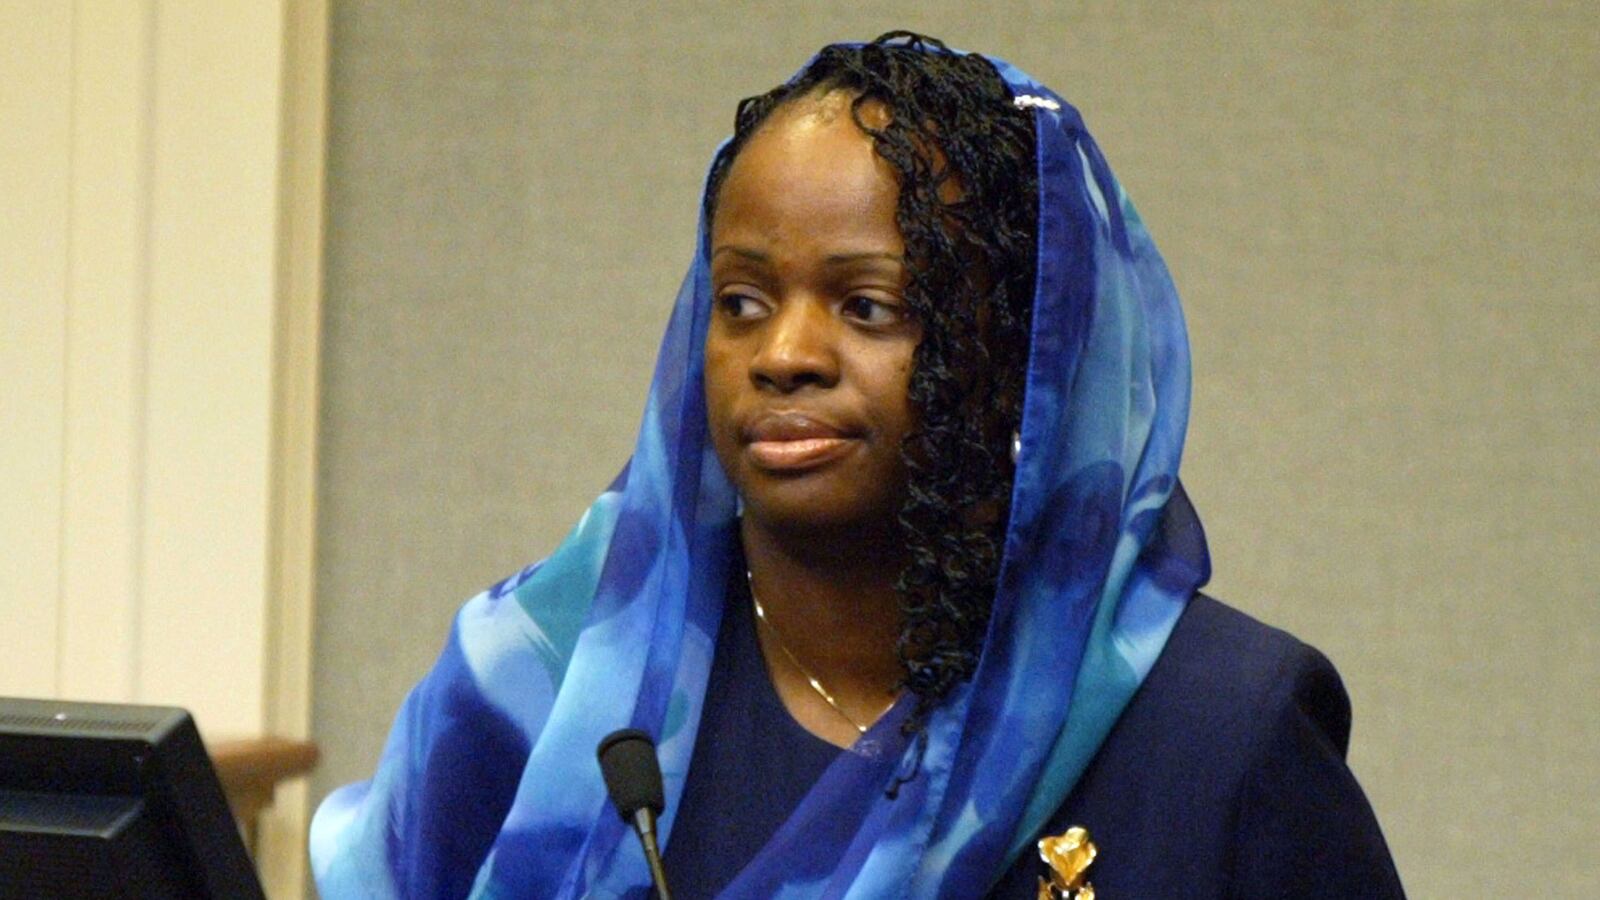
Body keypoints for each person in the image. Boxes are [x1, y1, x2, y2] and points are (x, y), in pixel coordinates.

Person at [310, 33, 1404, 898]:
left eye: (868, 306)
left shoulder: (1220, 730)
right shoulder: (543, 681)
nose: (782, 355)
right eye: (741, 301)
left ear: (1020, 355)